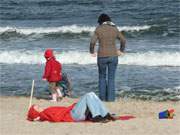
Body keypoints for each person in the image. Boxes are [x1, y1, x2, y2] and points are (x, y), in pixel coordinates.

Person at [89, 13, 126, 101]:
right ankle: (111, 99)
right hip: (113, 56)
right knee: (111, 78)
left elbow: (92, 42)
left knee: (102, 77)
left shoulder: (98, 29)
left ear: (100, 21)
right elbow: (123, 40)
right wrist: (121, 50)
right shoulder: (114, 28)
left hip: (102, 56)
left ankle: (102, 98)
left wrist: (92, 51)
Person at [27, 92, 116, 123]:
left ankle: (105, 114)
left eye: (37, 105)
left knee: (91, 94)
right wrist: (38, 118)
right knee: (88, 95)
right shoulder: (44, 114)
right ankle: (97, 116)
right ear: (36, 113)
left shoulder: (45, 112)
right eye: (37, 107)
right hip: (72, 115)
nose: (39, 106)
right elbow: (56, 118)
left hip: (72, 113)